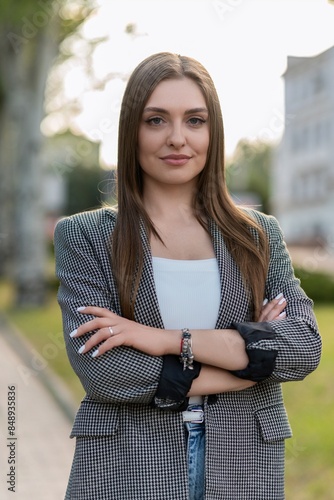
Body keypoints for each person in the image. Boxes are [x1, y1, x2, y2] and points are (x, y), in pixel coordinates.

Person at [54, 52, 321, 500]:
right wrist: (253, 365)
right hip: (125, 465)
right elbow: (110, 373)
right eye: (156, 120)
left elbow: (302, 347)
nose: (177, 138)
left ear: (212, 131)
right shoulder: (85, 237)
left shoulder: (257, 235)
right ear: (131, 131)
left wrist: (164, 340)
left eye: (194, 120)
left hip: (243, 462)